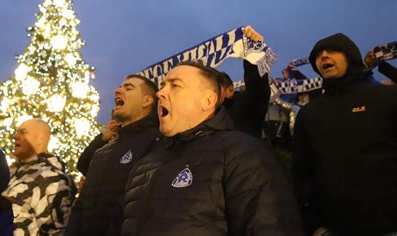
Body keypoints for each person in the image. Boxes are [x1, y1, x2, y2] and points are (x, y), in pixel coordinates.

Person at [118, 62, 304, 235]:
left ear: (208, 101)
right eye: (162, 85)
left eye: (175, 85)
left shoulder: (242, 153)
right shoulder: (144, 165)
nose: (160, 93)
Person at [292, 33, 397, 236]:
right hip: (334, 229)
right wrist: (314, 225)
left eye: (331, 50)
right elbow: (302, 172)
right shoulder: (309, 113)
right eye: (318, 55)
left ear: (350, 55)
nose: (323, 56)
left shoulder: (388, 98)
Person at [65, 74, 161, 236]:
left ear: (147, 101)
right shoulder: (102, 152)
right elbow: (80, 206)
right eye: (120, 87)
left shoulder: (158, 143)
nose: (117, 91)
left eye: (128, 88)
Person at [2, 118, 76, 235]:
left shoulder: (54, 180)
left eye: (23, 132)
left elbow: (57, 232)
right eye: (17, 131)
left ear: (40, 138)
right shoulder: (10, 174)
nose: (15, 136)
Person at [217, 25, 271, 139]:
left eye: (215, 88)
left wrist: (254, 53)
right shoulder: (204, 114)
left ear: (230, 90)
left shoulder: (247, 105)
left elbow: (258, 87)